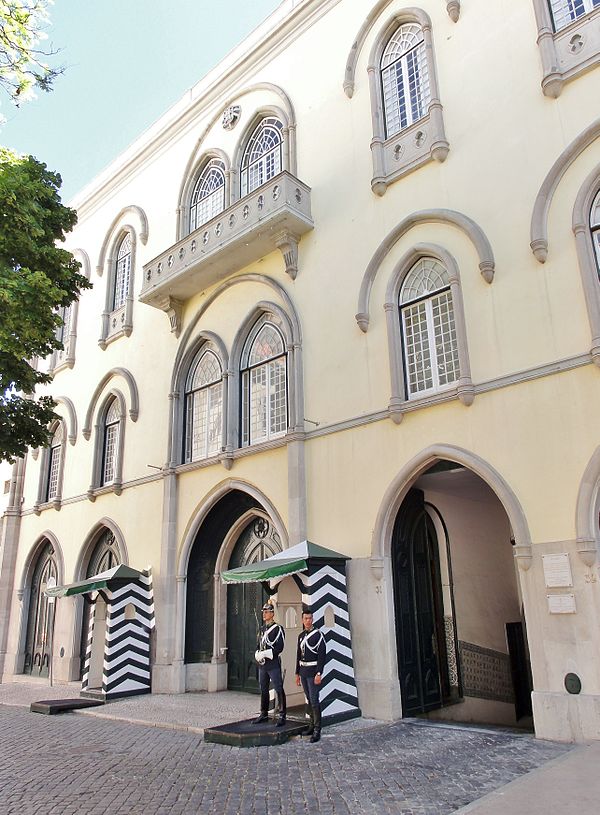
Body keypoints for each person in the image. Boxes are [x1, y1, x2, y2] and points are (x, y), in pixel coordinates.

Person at [295, 608, 326, 743]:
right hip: (303, 671)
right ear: (302, 620)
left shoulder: (318, 635)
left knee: (314, 700)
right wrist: (297, 673)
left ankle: (317, 729)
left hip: (313, 672)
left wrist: (319, 673)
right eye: (306, 619)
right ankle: (311, 725)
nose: (308, 621)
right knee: (308, 699)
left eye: (310, 618)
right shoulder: (301, 636)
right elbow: (298, 655)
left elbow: (322, 656)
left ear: (312, 619)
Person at [254, 601, 286, 727]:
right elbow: (259, 644)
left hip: (273, 663)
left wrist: (266, 653)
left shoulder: (277, 629)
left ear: (272, 614)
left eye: (267, 612)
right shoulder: (262, 629)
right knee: (263, 689)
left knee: (278, 688)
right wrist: (257, 653)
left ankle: (282, 714)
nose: (264, 614)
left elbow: (280, 647)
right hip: (263, 664)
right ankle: (264, 713)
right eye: (263, 612)